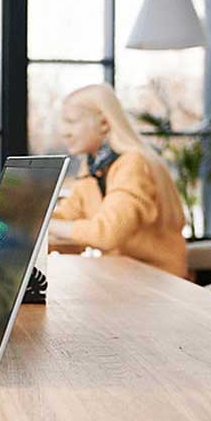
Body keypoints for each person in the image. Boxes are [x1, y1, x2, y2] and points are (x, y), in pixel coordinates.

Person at [48, 84, 187, 277]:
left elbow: (106, 234)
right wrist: (26, 227)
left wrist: (47, 225)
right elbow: (70, 218)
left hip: (157, 281)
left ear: (104, 123)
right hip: (122, 275)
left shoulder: (133, 163)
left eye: (71, 121)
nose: (64, 132)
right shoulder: (93, 166)